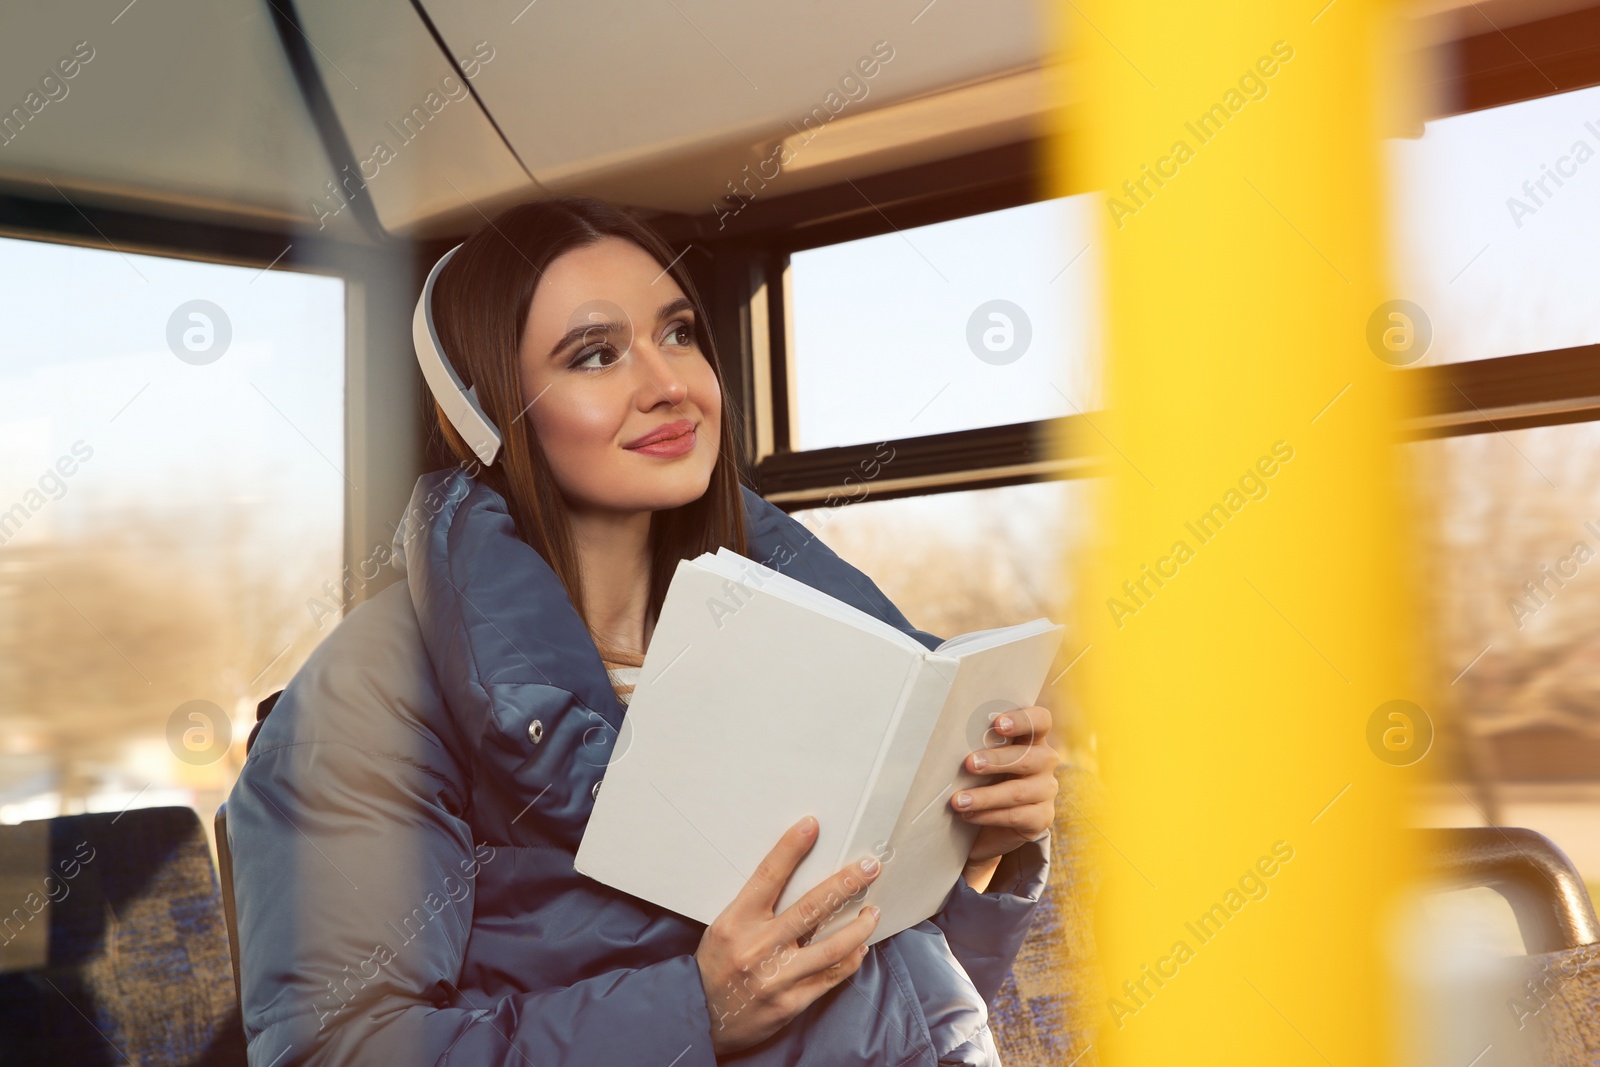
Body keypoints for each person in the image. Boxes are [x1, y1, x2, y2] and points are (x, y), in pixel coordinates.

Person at [226, 195, 1060, 1066]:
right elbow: (338, 1049)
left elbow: (900, 997)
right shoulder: (369, 697)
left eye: (679, 333)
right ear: (480, 415)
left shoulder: (794, 633)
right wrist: (692, 1013)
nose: (669, 384)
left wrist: (974, 848)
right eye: (594, 354)